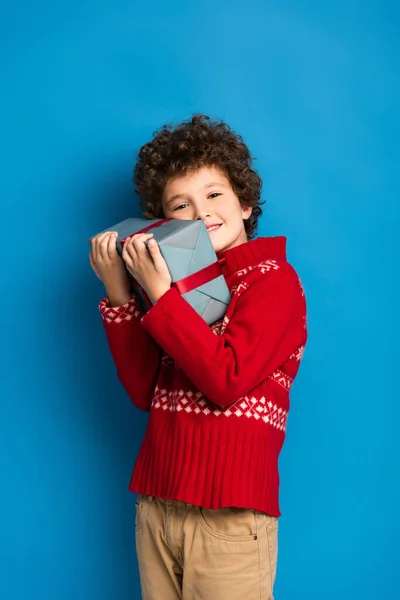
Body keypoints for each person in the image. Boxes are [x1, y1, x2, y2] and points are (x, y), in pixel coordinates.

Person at [89, 114, 307, 600]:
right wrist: (121, 295)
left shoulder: (275, 282)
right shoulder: (177, 288)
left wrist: (162, 297)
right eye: (180, 205)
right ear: (164, 223)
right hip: (159, 503)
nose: (201, 211)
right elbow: (146, 391)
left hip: (228, 517)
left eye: (214, 195)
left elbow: (225, 380)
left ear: (245, 203)